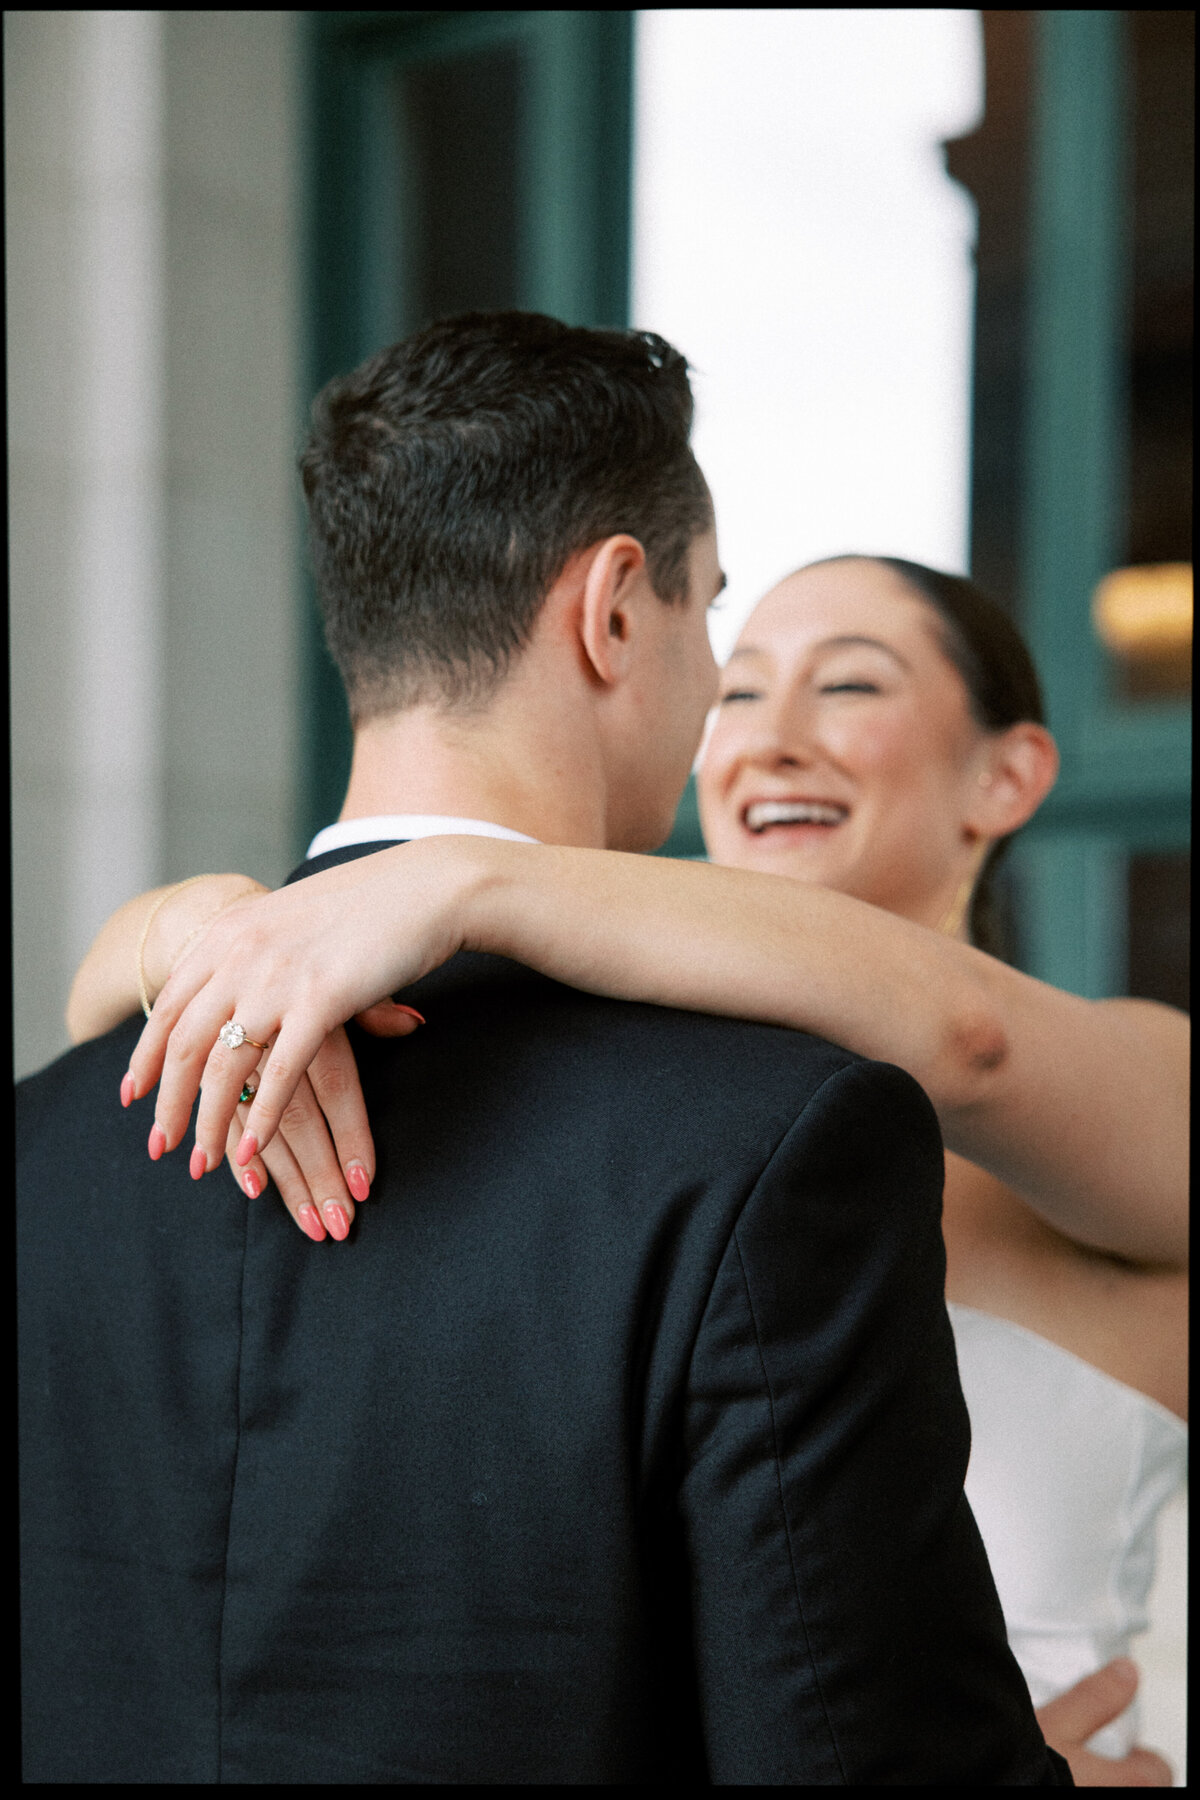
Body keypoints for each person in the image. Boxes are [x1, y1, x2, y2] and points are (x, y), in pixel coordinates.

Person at [18, 311, 1069, 1784]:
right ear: (615, 609)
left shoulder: (46, 1140)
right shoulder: (771, 1143)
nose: (714, 694)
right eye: (710, 617)